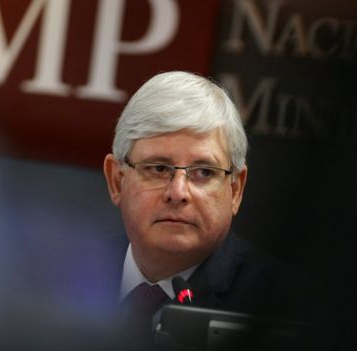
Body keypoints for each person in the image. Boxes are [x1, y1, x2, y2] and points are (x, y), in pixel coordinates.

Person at [102, 71, 304, 344]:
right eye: (159, 168)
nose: (178, 192)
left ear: (235, 190)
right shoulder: (58, 276)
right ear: (117, 180)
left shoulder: (289, 306)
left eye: (204, 172)